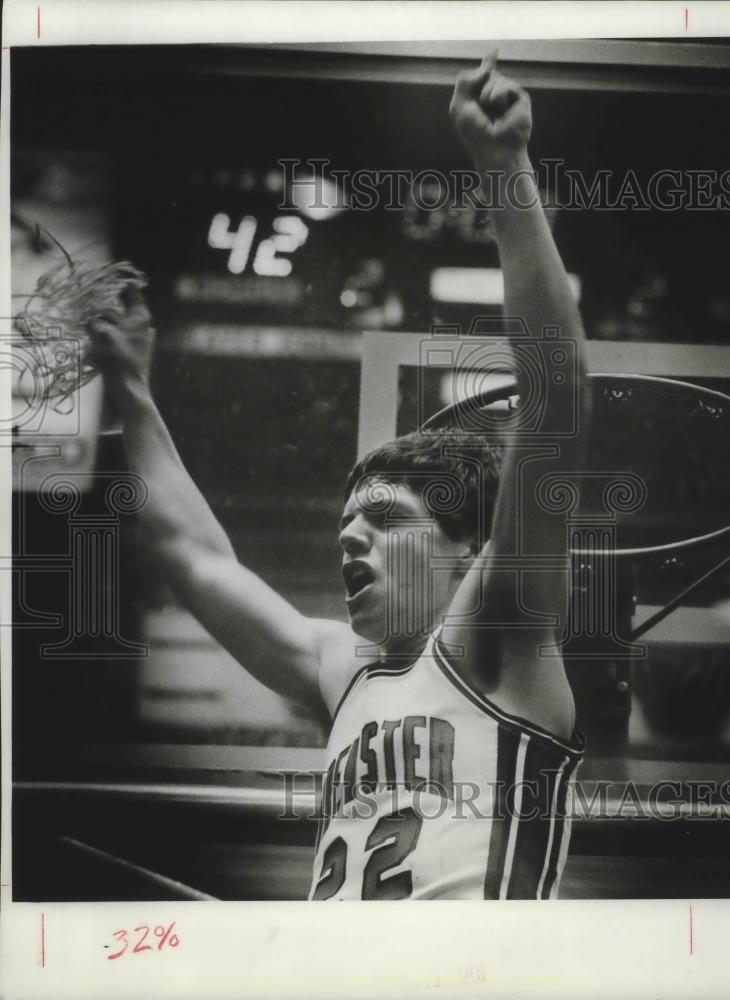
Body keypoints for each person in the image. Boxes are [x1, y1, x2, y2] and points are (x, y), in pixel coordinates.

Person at [92, 53, 590, 899]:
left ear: (469, 551)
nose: (352, 538)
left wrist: (504, 171)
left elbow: (556, 399)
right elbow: (192, 556)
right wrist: (133, 387)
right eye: (345, 525)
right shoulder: (342, 666)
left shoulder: (493, 638)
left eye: (387, 520)